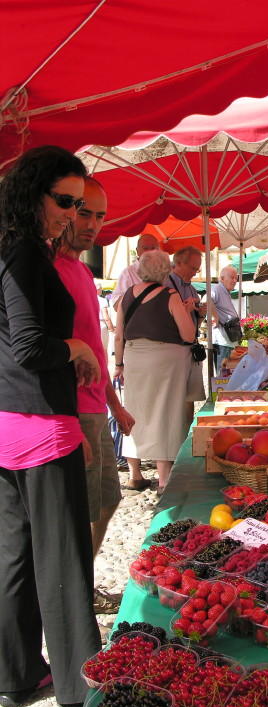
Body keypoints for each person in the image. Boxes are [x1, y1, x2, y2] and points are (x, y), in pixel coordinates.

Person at [0, 145, 102, 707]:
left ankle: (16, 674)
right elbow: (29, 346)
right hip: (39, 421)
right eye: (65, 201)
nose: (71, 213)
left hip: (9, 421)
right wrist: (76, 345)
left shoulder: (11, 250)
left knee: (14, 554)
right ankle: (78, 683)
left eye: (79, 203)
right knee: (63, 557)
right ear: (33, 192)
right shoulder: (23, 255)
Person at [56, 176, 135, 614]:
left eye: (100, 215)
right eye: (83, 211)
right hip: (70, 413)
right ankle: (70, 592)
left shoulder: (84, 272)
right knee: (80, 509)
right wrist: (66, 423)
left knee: (108, 500)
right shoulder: (50, 274)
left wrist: (115, 404)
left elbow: (94, 352)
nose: (91, 224)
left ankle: (79, 582)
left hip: (93, 409)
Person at [114, 250, 196, 494]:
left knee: (134, 411)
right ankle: (163, 479)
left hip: (134, 358)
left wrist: (119, 364)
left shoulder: (128, 295)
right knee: (164, 413)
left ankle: (135, 475)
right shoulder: (170, 294)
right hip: (165, 360)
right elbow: (188, 335)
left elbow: (119, 335)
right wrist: (188, 310)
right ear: (166, 270)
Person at [166, 246, 207, 419]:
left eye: (197, 269)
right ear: (178, 263)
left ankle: (186, 429)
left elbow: (194, 323)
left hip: (190, 349)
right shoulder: (165, 285)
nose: (195, 273)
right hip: (172, 350)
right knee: (174, 402)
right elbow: (163, 320)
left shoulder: (191, 289)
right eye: (192, 268)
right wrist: (182, 309)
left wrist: (200, 315)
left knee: (188, 400)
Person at [110, 233, 159, 310]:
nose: (149, 252)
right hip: (137, 320)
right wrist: (135, 293)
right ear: (137, 251)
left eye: (153, 248)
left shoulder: (165, 272)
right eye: (145, 248)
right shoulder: (128, 273)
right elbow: (116, 306)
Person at [210, 265, 240, 373]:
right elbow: (206, 300)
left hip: (228, 341)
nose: (234, 280)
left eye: (236, 278)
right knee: (223, 375)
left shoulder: (225, 291)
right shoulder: (217, 288)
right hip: (223, 342)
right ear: (222, 278)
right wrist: (215, 317)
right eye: (231, 277)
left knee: (227, 374)